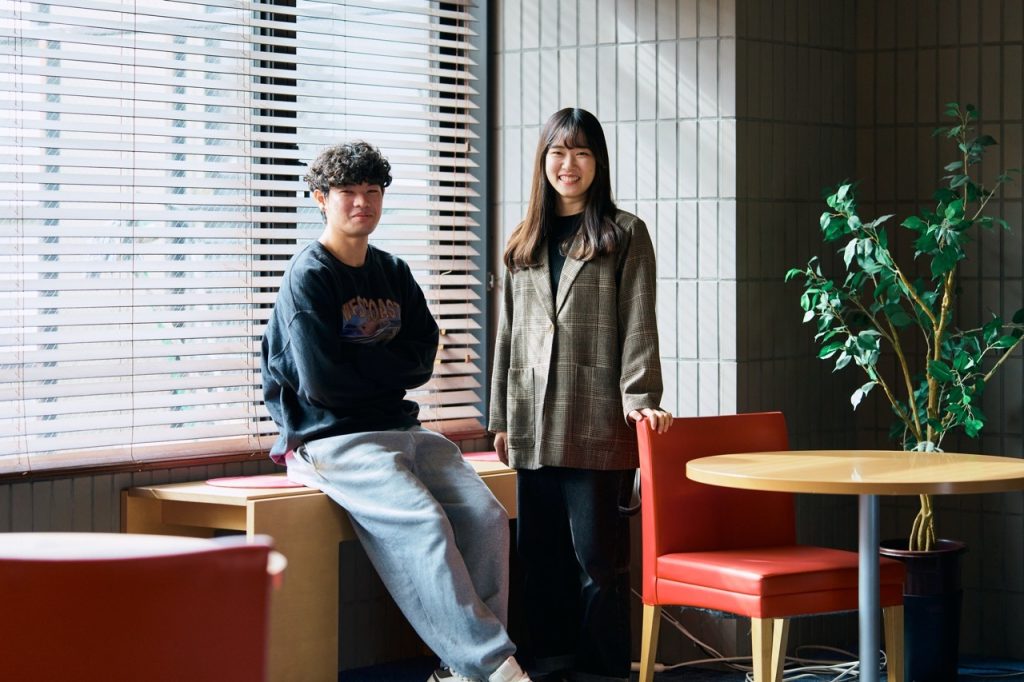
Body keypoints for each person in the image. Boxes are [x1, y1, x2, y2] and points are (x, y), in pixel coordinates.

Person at [261, 141, 531, 682]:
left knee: (485, 517)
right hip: (331, 440)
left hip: (401, 428)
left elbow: (421, 358)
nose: (362, 202)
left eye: (372, 191)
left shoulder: (392, 271)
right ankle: (494, 668)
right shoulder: (309, 277)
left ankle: (459, 670)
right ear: (320, 198)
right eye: (347, 192)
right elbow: (323, 384)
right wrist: (387, 365)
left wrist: (362, 362)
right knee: (424, 524)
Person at [489, 108, 673, 682]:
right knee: (539, 556)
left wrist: (640, 398)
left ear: (598, 162)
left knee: (598, 560)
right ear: (543, 161)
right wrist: (501, 417)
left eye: (582, 153)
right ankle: (549, 665)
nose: (568, 165)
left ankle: (603, 670)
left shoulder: (623, 234)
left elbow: (639, 323)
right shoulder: (522, 242)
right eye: (558, 152)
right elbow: (507, 335)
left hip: (596, 417)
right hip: (532, 421)